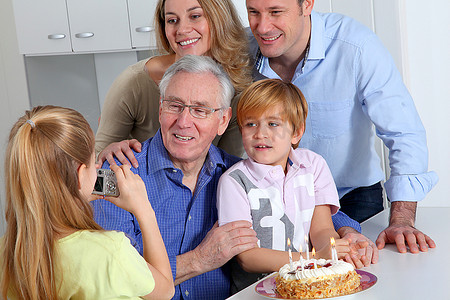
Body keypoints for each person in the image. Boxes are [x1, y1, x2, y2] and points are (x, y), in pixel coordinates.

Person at [245, 0, 438, 254]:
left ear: (307, 5)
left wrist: (401, 219)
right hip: (274, 200)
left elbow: (403, 132)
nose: (262, 26)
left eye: (276, 12)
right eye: (253, 12)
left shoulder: (357, 47)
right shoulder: (241, 52)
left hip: (352, 199)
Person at [92, 55, 259, 300]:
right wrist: (199, 260)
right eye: (174, 106)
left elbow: (303, 202)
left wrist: (337, 228)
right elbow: (112, 277)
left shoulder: (240, 175)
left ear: (222, 120)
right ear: (160, 109)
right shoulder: (108, 174)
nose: (183, 122)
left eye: (200, 110)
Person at [0, 106, 174, 300]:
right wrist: (143, 209)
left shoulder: (7, 250)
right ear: (80, 174)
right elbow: (165, 291)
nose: (99, 168)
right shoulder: (111, 252)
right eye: (94, 160)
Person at [217, 79, 353, 291]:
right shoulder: (234, 181)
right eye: (250, 124)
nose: (260, 133)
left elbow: (322, 229)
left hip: (309, 286)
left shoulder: (313, 166)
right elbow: (247, 258)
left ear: (297, 132)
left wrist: (334, 250)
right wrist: (313, 259)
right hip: (256, 293)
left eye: (273, 124)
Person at [95, 0, 252, 161]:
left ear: (220, 18)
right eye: (172, 20)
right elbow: (96, 160)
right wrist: (108, 154)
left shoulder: (237, 90)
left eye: (195, 16)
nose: (182, 30)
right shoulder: (135, 82)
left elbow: (228, 167)